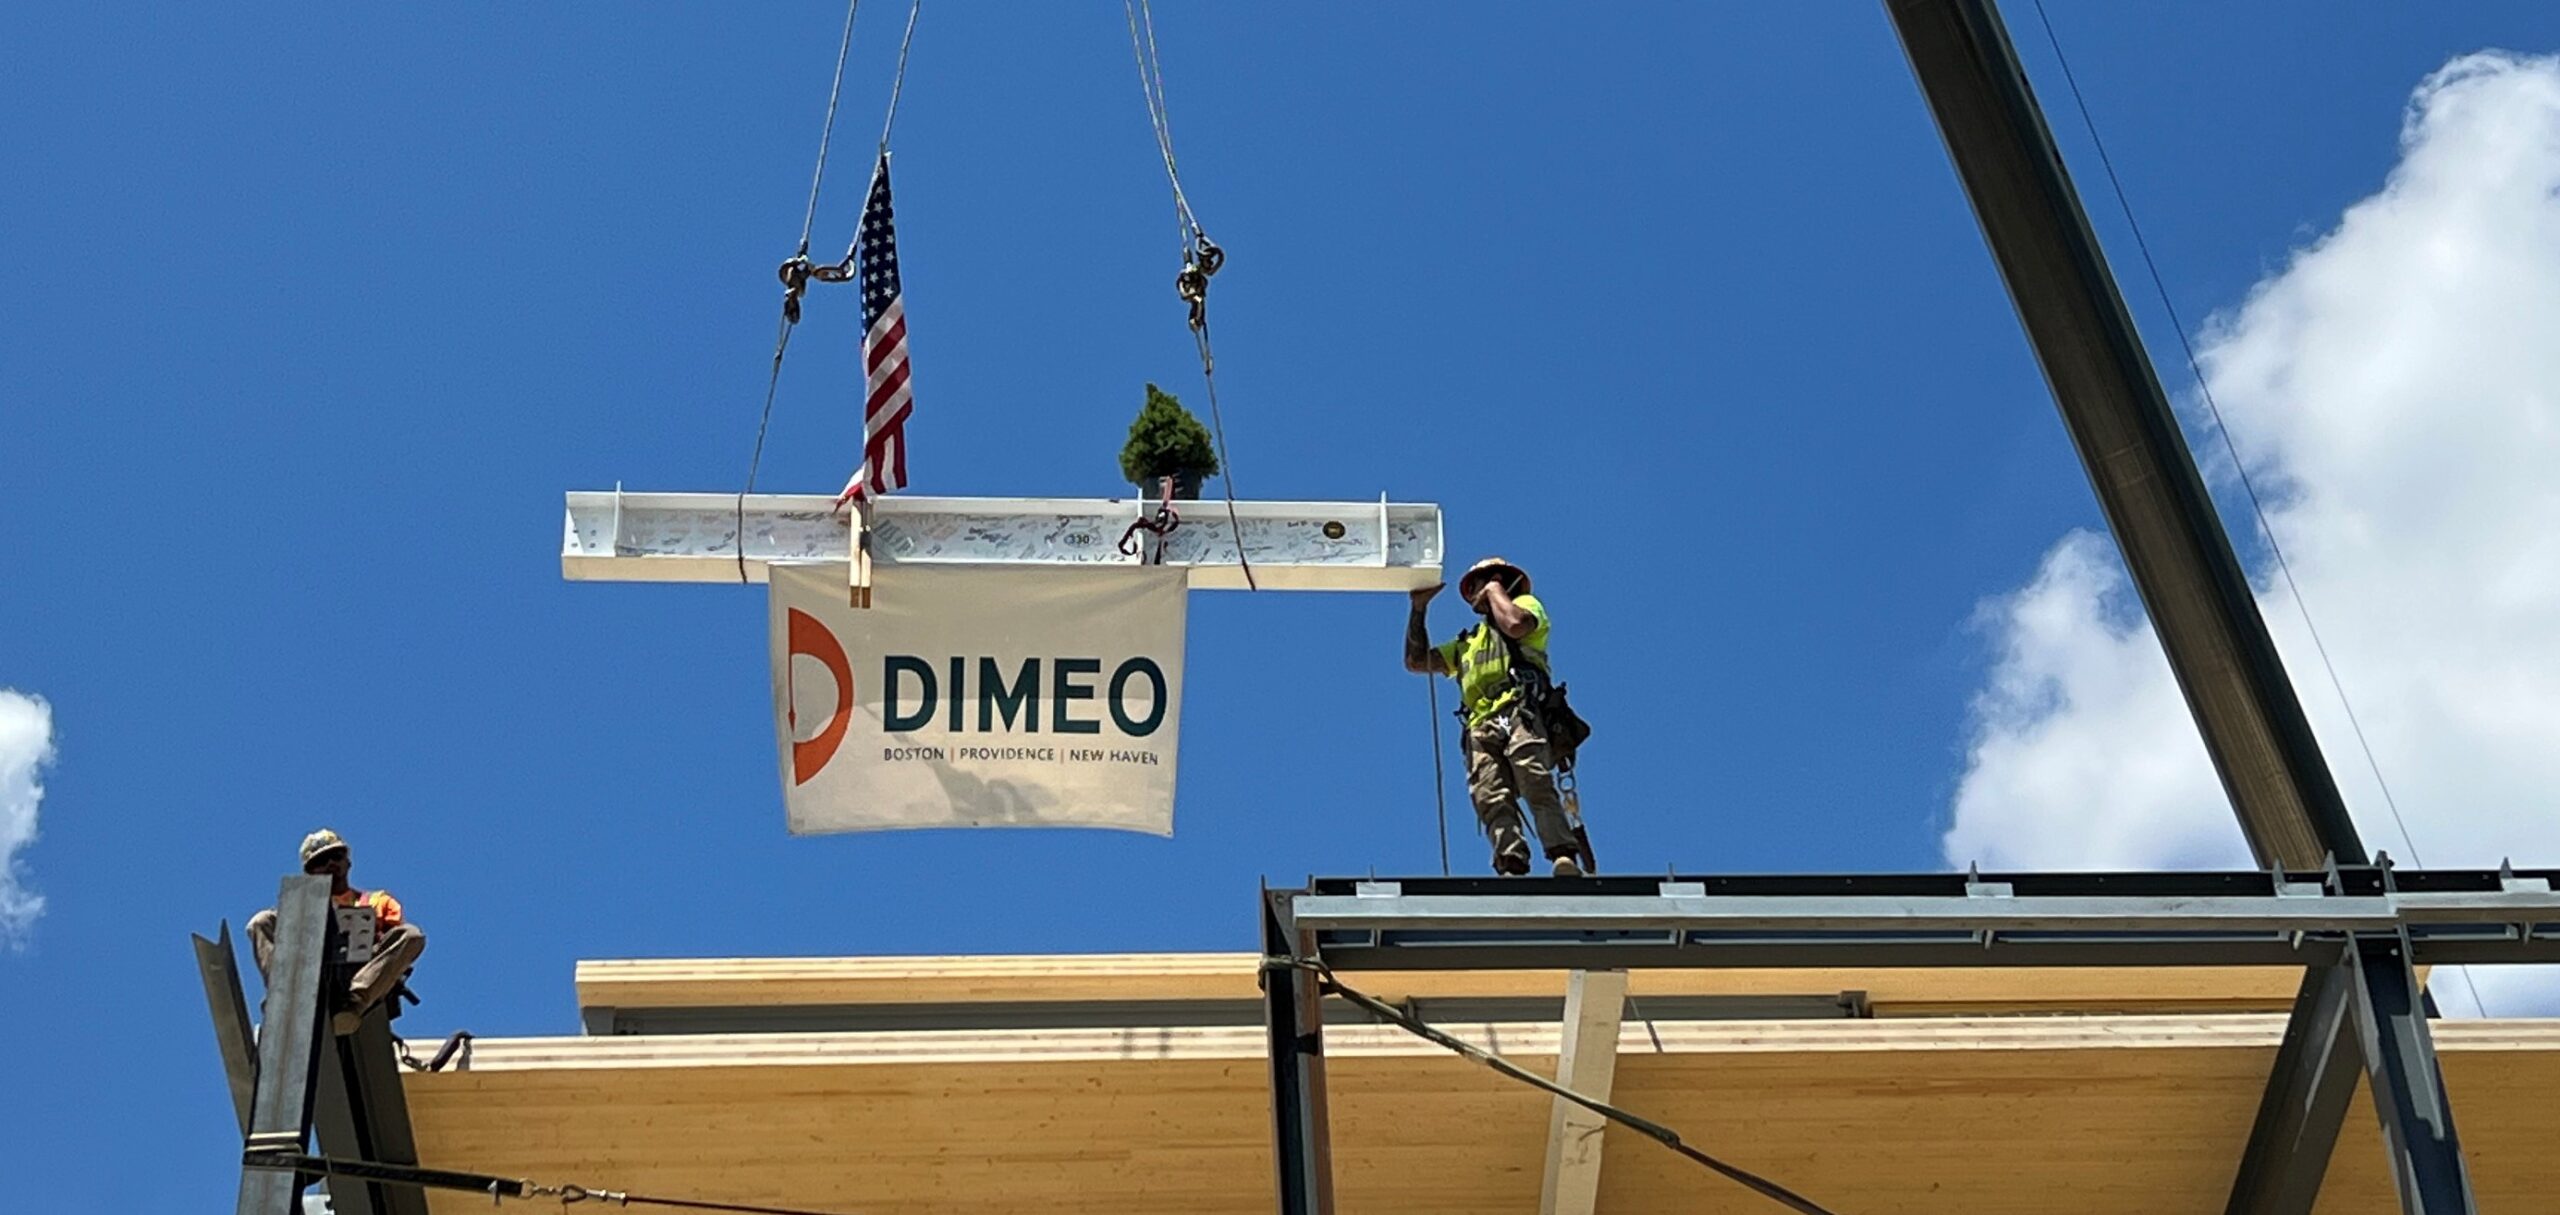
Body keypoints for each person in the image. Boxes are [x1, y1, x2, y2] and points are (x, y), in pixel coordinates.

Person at [1404, 556, 1588, 876]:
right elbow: (1416, 661)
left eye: (1488, 581)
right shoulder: (1467, 643)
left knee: (1534, 778)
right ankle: (1510, 860)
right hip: (1480, 725)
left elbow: (1515, 625)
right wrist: (1418, 610)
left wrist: (1493, 591)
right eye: (1478, 584)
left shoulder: (1527, 607)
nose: (1480, 589)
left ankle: (1562, 854)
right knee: (1490, 793)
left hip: (1520, 711)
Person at [247, 829, 426, 1033]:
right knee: (261, 921)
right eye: (321, 861)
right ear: (310, 872)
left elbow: (396, 943)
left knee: (412, 935)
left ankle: (354, 1002)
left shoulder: (379, 901)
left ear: (347, 862)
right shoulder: (300, 911)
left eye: (336, 856)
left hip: (363, 974)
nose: (331, 864)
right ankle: (286, 995)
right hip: (315, 972)